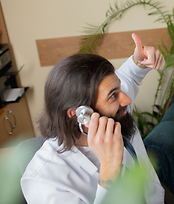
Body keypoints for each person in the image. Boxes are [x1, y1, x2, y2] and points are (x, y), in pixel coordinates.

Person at [21, 33, 166, 204]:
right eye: (113, 95)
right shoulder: (44, 181)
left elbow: (129, 76)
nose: (126, 100)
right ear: (80, 115)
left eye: (119, 89)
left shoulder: (116, 114)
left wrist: (139, 61)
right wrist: (109, 172)